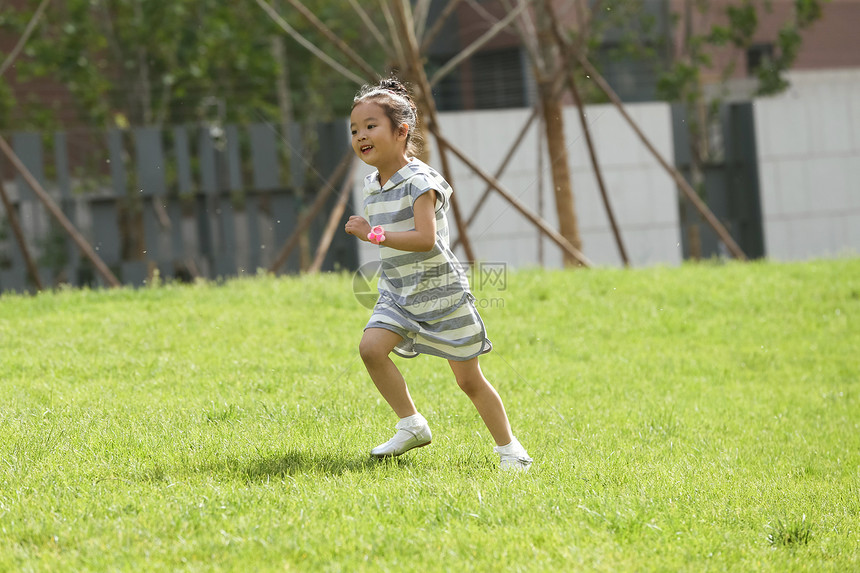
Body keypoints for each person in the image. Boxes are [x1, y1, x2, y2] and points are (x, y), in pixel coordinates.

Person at [344, 77, 532, 471]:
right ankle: (411, 424)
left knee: (468, 381)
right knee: (371, 349)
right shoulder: (372, 184)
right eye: (355, 129)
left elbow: (425, 239)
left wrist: (372, 233)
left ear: (401, 131)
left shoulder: (420, 181)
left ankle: (511, 450)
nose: (361, 135)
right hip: (398, 291)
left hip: (440, 293)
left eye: (370, 126)